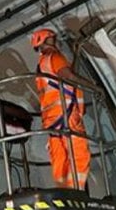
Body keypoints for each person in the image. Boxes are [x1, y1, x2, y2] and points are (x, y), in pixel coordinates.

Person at [31, 28, 90, 190]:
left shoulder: (42, 64)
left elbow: (65, 76)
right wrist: (94, 87)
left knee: (60, 155)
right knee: (79, 153)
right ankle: (75, 190)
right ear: (47, 41)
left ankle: (64, 189)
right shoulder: (55, 57)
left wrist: (76, 55)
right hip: (66, 114)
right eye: (53, 39)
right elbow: (69, 77)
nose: (55, 42)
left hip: (51, 118)